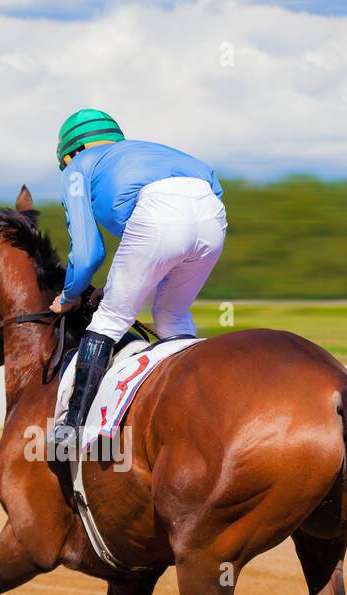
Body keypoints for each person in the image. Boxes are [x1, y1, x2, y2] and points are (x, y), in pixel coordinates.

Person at [50, 109, 227, 452]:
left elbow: (88, 254)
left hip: (159, 216)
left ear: (71, 151)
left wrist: (70, 295)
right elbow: (210, 193)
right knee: (171, 316)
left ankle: (70, 430)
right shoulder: (161, 153)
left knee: (111, 318)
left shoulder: (77, 167)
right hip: (213, 218)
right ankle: (192, 409)